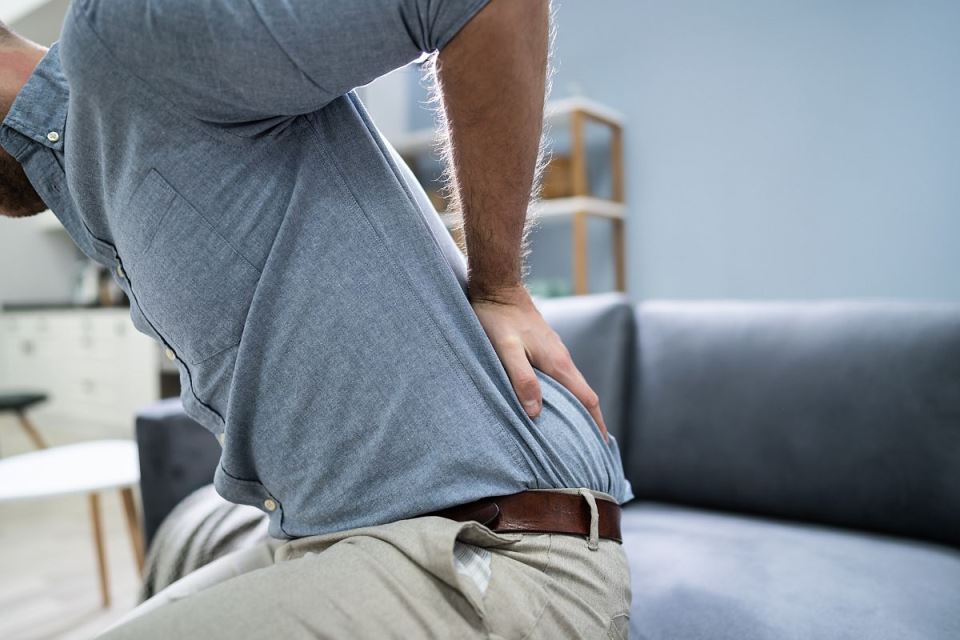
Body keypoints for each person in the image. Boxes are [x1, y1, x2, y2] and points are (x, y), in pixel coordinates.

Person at [0, 1, 633, 637]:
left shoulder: (123, 41)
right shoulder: (92, 173)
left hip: (502, 544)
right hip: (349, 537)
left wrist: (500, 286)